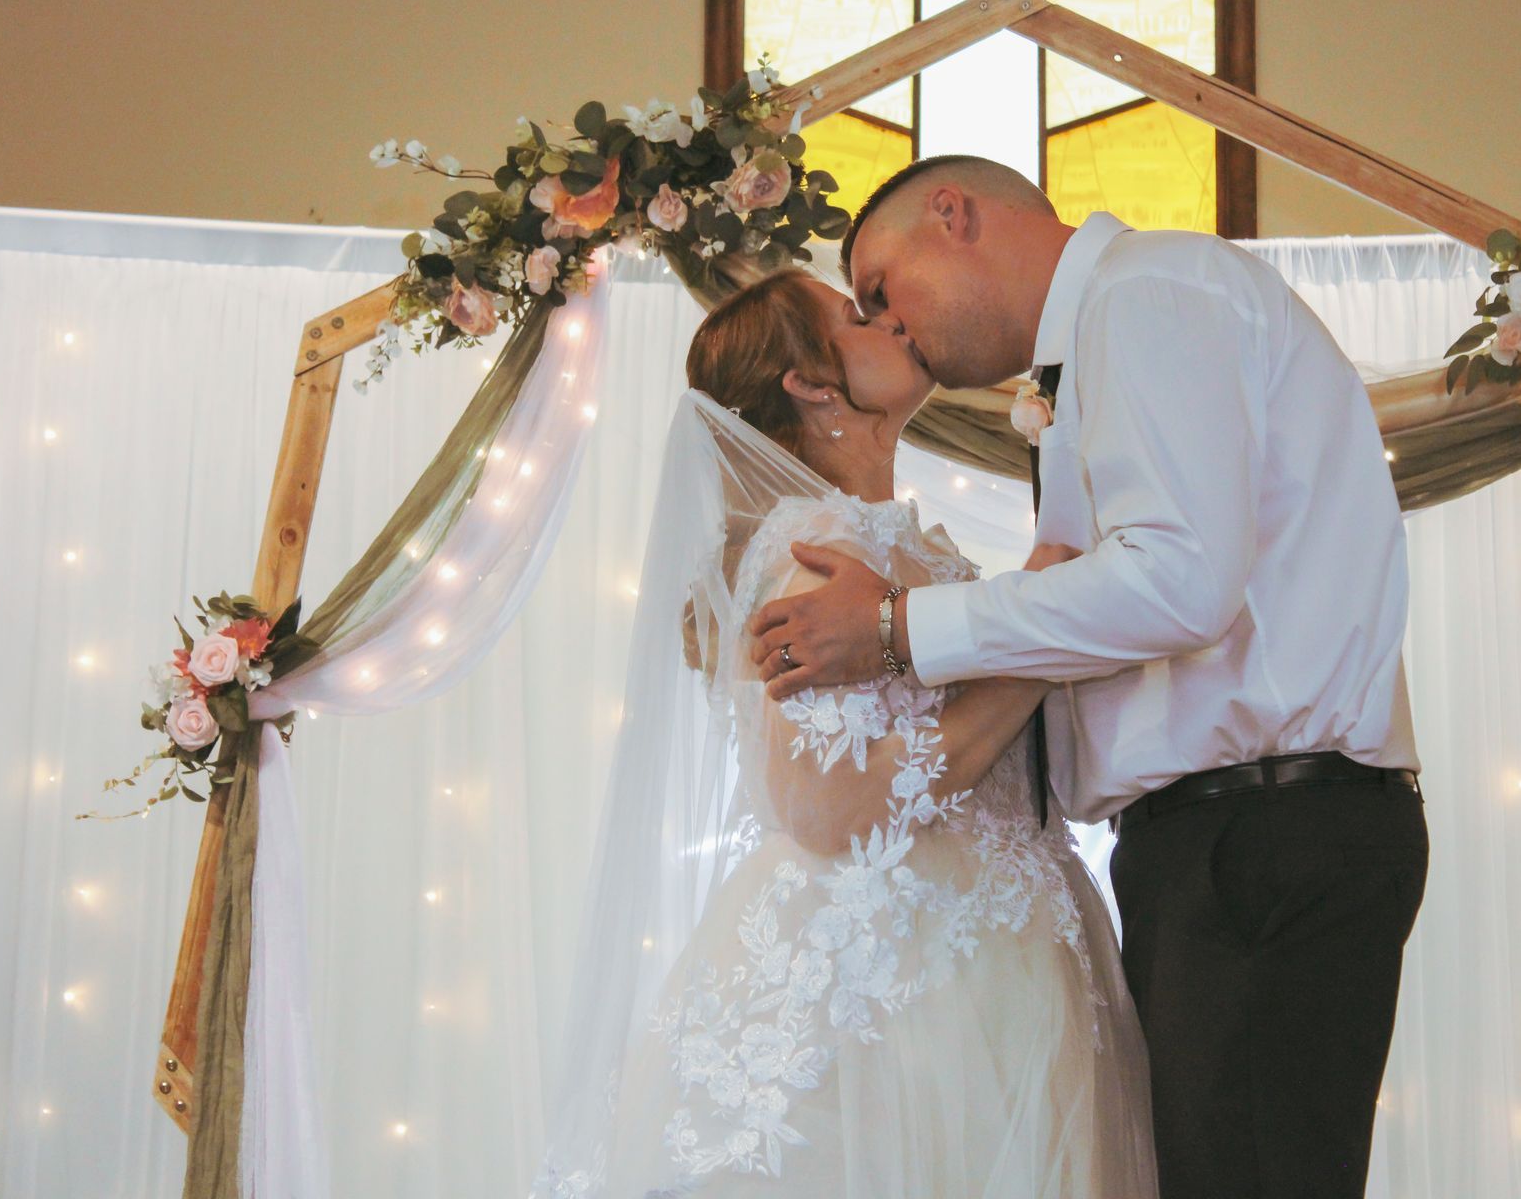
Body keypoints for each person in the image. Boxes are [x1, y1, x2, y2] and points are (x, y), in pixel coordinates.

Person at [749, 156, 1428, 1198]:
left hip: (1262, 831)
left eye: (885, 286)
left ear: (954, 214)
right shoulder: (1115, 330)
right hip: (1224, 838)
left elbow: (1178, 582)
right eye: (862, 313)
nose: (894, 324)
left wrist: (896, 628)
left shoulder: (1147, 294)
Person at [530, 268, 1158, 1198]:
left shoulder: (896, 541)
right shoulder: (818, 544)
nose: (894, 322)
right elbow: (830, 806)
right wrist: (1043, 621)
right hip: (897, 987)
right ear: (812, 385)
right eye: (858, 318)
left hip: (1000, 949)